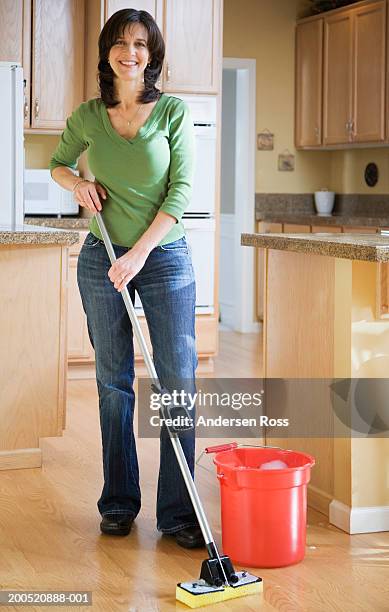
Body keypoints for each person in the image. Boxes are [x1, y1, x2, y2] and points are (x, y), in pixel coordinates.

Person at [49, 8, 204, 549]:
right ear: (106, 53)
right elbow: (59, 162)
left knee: (177, 382)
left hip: (162, 256)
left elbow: (181, 194)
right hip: (103, 254)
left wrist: (140, 253)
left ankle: (179, 515)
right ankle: (118, 504)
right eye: (120, 42)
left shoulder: (174, 114)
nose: (130, 52)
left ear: (152, 53)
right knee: (114, 383)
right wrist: (75, 185)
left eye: (141, 43)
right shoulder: (90, 116)